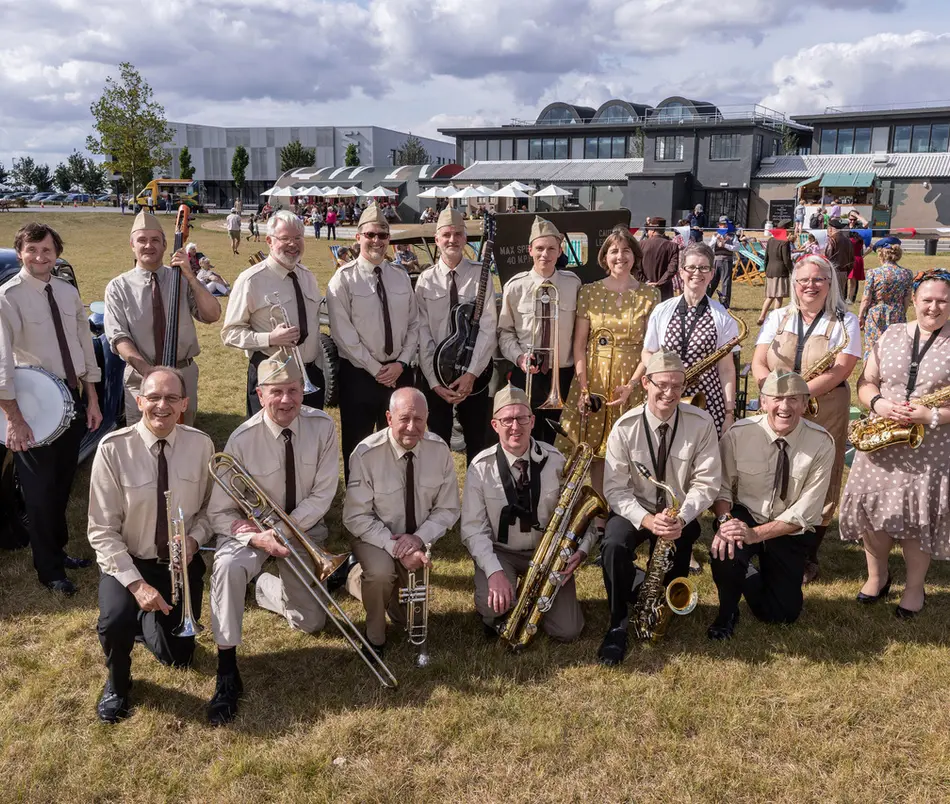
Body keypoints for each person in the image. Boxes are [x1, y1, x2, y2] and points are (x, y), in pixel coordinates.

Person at [206, 355, 340, 725]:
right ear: (260, 394)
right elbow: (219, 513)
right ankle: (227, 669)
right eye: (276, 392)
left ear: (303, 392)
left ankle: (264, 587)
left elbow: (324, 492)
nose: (286, 401)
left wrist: (288, 528)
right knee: (229, 566)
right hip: (254, 532)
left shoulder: (323, 426)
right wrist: (258, 539)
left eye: (293, 391)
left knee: (311, 623)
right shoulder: (242, 439)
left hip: (303, 530)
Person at [88, 367, 213, 723]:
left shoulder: (201, 444)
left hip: (178, 562)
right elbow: (101, 530)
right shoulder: (113, 449)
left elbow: (209, 509)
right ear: (139, 400)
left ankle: (146, 621)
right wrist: (136, 585)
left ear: (184, 404)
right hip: (128, 563)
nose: (162, 405)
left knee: (179, 658)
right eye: (154, 397)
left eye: (172, 398)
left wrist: (194, 538)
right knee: (114, 621)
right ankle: (118, 682)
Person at [598, 350, 721, 664]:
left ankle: (646, 590)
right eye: (662, 385)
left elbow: (707, 483)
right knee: (613, 544)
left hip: (678, 515)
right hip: (635, 509)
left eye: (678, 386)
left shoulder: (701, 422)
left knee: (667, 598)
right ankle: (617, 624)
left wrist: (682, 516)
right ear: (645, 383)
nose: (670, 393)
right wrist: (647, 520)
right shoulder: (625, 428)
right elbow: (614, 490)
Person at [840, 269, 950, 618]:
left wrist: (930, 416)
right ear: (913, 300)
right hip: (881, 439)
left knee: (918, 517)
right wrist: (879, 404)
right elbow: (867, 381)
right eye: (927, 300)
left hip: (930, 443)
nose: (933, 307)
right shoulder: (890, 334)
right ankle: (878, 576)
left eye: (942, 301)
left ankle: (914, 589)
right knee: (874, 512)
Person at [0, 223, 103, 594]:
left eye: (47, 250)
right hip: (32, 408)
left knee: (61, 484)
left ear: (56, 252)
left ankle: (58, 553)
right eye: (32, 250)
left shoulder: (66, 291)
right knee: (40, 492)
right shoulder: (7, 297)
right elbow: (1, 364)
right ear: (21, 251)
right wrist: (13, 418)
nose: (40, 257)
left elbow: (84, 347)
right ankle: (49, 571)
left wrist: (91, 399)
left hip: (71, 399)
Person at [752, 255, 861, 584]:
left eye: (818, 280)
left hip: (825, 405)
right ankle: (772, 541)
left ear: (831, 284)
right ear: (794, 284)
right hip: (779, 406)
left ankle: (807, 554)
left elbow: (841, 368)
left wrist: (798, 396)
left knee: (820, 475)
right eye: (803, 280)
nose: (810, 286)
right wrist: (775, 394)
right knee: (776, 469)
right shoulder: (777, 317)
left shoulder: (845, 321)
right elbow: (758, 360)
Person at [461, 384, 594, 642]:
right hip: (503, 553)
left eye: (522, 418)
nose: (515, 426)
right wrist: (494, 571)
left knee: (568, 631)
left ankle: (527, 597)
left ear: (532, 421)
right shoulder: (480, 468)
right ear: (495, 424)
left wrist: (582, 550)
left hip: (548, 555)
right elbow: (473, 529)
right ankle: (507, 591)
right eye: (507, 419)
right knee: (492, 609)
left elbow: (582, 517)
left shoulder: (556, 461)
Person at [708, 369, 834, 639]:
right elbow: (721, 489)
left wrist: (756, 535)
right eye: (776, 398)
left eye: (793, 399)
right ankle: (727, 612)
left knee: (782, 614)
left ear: (804, 403)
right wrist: (726, 523)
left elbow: (806, 512)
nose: (784, 407)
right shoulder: (739, 434)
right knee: (726, 548)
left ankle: (749, 573)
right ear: (762, 402)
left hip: (787, 525)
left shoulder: (822, 443)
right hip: (746, 513)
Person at [555, 226, 659, 533]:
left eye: (626, 251)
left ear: (634, 256)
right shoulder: (589, 291)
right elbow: (579, 345)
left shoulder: (650, 295)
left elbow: (650, 348)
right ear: (605, 257)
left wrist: (632, 385)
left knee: (631, 450)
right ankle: (599, 514)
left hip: (633, 381)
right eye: (614, 251)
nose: (620, 257)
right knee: (595, 449)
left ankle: (629, 512)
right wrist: (585, 387)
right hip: (595, 379)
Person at [343, 387, 459, 656]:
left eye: (419, 419)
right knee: (382, 574)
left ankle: (353, 579)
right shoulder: (365, 454)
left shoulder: (439, 451)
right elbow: (355, 516)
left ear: (427, 418)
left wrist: (417, 539)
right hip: (373, 536)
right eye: (404, 418)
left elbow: (448, 508)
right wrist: (395, 547)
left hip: (416, 538)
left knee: (407, 617)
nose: (411, 427)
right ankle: (374, 636)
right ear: (389, 417)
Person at [326, 204, 419, 478]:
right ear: (358, 237)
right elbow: (343, 335)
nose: (376, 240)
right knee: (358, 443)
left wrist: (401, 363)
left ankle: (395, 495)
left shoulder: (401, 276)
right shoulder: (342, 280)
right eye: (370, 234)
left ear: (389, 239)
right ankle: (357, 502)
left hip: (399, 373)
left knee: (400, 439)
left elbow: (414, 324)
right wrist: (375, 369)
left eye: (382, 235)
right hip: (360, 375)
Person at [104, 212, 221, 427]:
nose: (149, 245)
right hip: (141, 377)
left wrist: (192, 277)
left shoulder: (182, 280)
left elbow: (212, 315)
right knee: (141, 444)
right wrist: (148, 371)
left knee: (183, 439)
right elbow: (119, 337)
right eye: (142, 240)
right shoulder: (118, 287)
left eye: (155, 240)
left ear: (165, 244)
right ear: (132, 245)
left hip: (182, 374)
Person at [221, 210, 325, 417]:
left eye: (297, 238)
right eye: (285, 238)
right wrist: (270, 338)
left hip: (310, 373)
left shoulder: (307, 276)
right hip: (273, 376)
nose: (293, 244)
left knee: (311, 442)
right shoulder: (251, 280)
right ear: (269, 240)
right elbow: (229, 333)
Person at [415, 208, 497, 463]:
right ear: (437, 239)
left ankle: (479, 498)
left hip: (475, 373)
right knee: (436, 444)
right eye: (447, 235)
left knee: (477, 443)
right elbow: (422, 331)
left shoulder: (479, 276)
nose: (452, 240)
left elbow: (488, 326)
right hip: (437, 376)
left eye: (458, 234)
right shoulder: (425, 281)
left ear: (465, 239)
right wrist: (433, 381)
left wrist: (471, 374)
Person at [498, 215, 581, 444]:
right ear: (530, 250)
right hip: (527, 373)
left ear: (559, 250)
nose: (545, 254)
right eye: (540, 248)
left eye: (551, 248)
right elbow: (505, 332)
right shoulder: (515, 287)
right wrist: (520, 358)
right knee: (524, 435)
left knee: (558, 439)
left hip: (562, 374)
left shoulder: (573, 284)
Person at [643, 242, 739, 437]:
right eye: (691, 267)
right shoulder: (662, 310)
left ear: (712, 273)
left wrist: (729, 413)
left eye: (704, 268)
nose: (697, 273)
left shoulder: (722, 317)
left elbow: (727, 369)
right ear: (681, 272)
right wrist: (661, 371)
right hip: (667, 396)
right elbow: (648, 351)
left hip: (708, 401)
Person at [857, 244, 913, 362]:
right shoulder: (907, 273)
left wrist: (861, 315)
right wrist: (902, 311)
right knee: (895, 346)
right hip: (898, 311)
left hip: (877, 312)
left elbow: (866, 297)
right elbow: (907, 297)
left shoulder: (873, 273)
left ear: (881, 255)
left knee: (873, 346)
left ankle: (870, 374)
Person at [637, 217, 679, 301]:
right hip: (665, 292)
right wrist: (659, 283)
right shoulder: (672, 246)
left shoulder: (640, 245)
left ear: (652, 231)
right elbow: (672, 269)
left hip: (644, 291)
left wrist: (646, 282)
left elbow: (635, 268)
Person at [760, 229, 793, 325]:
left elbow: (766, 256)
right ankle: (775, 318)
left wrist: (766, 269)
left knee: (770, 296)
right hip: (780, 271)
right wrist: (792, 270)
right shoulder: (784, 242)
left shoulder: (770, 240)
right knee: (779, 296)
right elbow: (786, 259)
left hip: (770, 270)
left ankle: (762, 315)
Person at [705, 219, 738, 308]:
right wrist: (716, 238)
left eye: (725, 225)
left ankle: (725, 304)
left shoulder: (732, 235)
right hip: (716, 260)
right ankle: (705, 301)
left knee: (726, 283)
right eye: (721, 224)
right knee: (712, 281)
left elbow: (736, 248)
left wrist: (725, 245)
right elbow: (709, 246)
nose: (723, 226)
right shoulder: (715, 235)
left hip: (727, 260)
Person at [825, 220, 853, 298]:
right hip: (844, 272)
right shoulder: (848, 241)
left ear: (830, 229)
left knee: (831, 297)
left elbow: (828, 256)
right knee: (840, 296)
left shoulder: (832, 240)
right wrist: (847, 271)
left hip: (833, 271)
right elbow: (851, 259)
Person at [846, 229, 866, 304]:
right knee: (853, 281)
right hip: (858, 259)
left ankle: (849, 298)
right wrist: (863, 255)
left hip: (851, 259)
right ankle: (850, 298)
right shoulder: (861, 240)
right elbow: (871, 247)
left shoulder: (850, 240)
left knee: (850, 280)